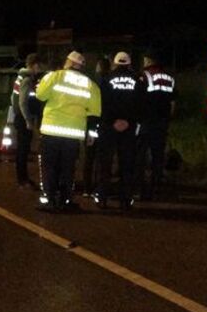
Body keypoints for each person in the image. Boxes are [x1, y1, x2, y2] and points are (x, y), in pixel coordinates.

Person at [35, 51, 102, 212]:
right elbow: (95, 112)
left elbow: (40, 95)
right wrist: (91, 134)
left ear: (69, 63)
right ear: (81, 66)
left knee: (49, 167)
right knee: (68, 169)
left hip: (51, 130)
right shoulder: (90, 84)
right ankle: (65, 200)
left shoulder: (54, 76)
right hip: (73, 134)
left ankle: (50, 200)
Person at [94, 52, 141, 210]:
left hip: (109, 127)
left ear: (114, 63)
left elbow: (102, 103)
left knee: (105, 163)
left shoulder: (106, 79)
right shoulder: (137, 80)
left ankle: (102, 198)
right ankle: (125, 200)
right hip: (129, 128)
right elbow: (140, 104)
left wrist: (112, 121)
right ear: (129, 64)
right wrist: (128, 121)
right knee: (127, 164)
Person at [135, 54, 176, 200]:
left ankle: (140, 188)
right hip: (162, 123)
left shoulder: (144, 76)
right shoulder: (169, 78)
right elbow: (172, 103)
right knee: (158, 156)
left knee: (140, 155)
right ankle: (156, 187)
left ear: (149, 61)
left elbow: (138, 99)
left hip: (146, 122)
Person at [13, 53, 44, 190]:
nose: (40, 69)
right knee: (23, 150)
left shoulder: (20, 77)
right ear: (34, 65)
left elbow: (12, 98)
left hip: (19, 117)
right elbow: (22, 102)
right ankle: (22, 179)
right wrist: (28, 120)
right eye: (39, 66)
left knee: (22, 149)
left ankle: (23, 178)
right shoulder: (27, 80)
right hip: (23, 118)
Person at [81, 56, 110, 197]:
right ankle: (100, 188)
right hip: (105, 124)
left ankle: (87, 188)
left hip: (91, 122)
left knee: (89, 157)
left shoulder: (91, 82)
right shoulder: (111, 82)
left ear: (98, 67)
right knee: (102, 157)